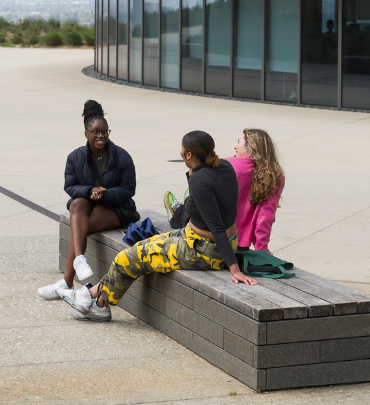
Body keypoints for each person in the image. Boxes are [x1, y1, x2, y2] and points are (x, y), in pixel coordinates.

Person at [61, 131, 257, 322]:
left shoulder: (200, 180)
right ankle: (94, 297)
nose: (180, 152)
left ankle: (98, 303)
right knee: (140, 246)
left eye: (182, 149)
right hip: (198, 237)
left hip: (204, 249)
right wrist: (192, 171)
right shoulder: (224, 166)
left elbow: (216, 226)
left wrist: (234, 269)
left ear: (189, 154)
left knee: (126, 258)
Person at [37, 99, 139, 300]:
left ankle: (66, 282)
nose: (101, 136)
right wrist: (90, 191)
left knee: (80, 227)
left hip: (116, 207)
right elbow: (70, 186)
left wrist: (105, 194)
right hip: (87, 204)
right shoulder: (75, 157)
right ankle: (79, 261)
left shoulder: (121, 156)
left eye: (104, 132)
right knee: (76, 203)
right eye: (96, 132)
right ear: (86, 133)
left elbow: (129, 189)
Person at [227, 128, 284, 253]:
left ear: (250, 147)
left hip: (211, 236)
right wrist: (262, 248)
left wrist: (229, 163)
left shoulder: (228, 166)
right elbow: (266, 216)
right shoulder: (274, 175)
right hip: (240, 243)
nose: (235, 147)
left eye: (239, 142)